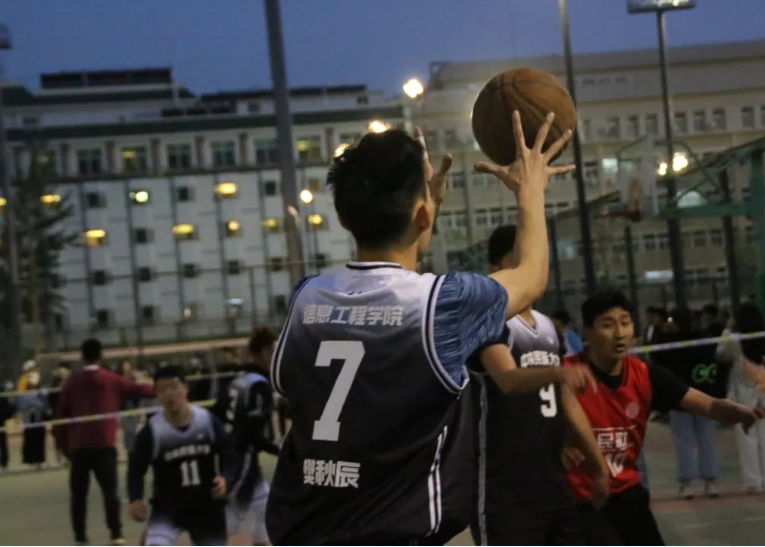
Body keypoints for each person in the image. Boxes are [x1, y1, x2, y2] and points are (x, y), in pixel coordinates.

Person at [266, 112, 575, 544]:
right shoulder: (444, 304)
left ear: (342, 217)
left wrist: (425, 212)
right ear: (424, 216)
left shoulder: (307, 298)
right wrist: (531, 189)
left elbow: (396, 294)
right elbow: (532, 276)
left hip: (306, 530)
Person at [564, 289, 765, 545]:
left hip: (628, 494)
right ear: (586, 333)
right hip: (581, 501)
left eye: (625, 323)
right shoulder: (565, 375)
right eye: (607, 325)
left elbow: (707, 404)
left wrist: (741, 412)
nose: (619, 333)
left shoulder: (645, 375)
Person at [468, 224, 608, 545]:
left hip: (553, 480)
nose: (531, 269)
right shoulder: (488, 320)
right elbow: (508, 380)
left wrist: (597, 465)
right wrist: (557, 373)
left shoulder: (548, 327)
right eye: (520, 260)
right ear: (496, 269)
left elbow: (565, 401)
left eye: (536, 260)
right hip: (503, 487)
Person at [55, 339, 155, 546]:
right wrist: (163, 387)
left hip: (79, 446)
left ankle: (80, 535)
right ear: (101, 356)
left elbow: (61, 415)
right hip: (105, 444)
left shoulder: (72, 382)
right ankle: (116, 533)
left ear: (82, 357)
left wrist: (64, 446)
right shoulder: (111, 379)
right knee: (110, 492)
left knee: (78, 495)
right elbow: (139, 390)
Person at [128, 365, 238, 546]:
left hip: (206, 505)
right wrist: (135, 498)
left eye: (174, 387)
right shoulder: (152, 431)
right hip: (168, 507)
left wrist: (227, 479)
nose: (169, 394)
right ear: (157, 394)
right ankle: (153, 534)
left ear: (185, 388)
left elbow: (230, 455)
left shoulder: (207, 420)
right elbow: (136, 469)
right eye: (162, 390)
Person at [218, 327, 279, 546]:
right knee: (232, 516)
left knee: (265, 503)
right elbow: (254, 434)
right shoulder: (259, 385)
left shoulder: (239, 379)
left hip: (232, 451)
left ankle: (261, 542)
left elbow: (218, 411)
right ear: (263, 352)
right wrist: (280, 451)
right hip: (241, 456)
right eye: (273, 351)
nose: (276, 356)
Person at [717, 302, 765, 494]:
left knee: (747, 438)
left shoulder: (734, 340)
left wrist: (727, 329)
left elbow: (720, 353)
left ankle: (753, 482)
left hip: (743, 395)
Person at [663, 308, 725, 499]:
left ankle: (687, 483)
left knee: (684, 441)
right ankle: (710, 482)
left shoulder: (671, 343)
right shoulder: (705, 339)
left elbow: (660, 362)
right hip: (704, 397)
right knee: (706, 439)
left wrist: (664, 333)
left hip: (680, 398)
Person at [18, 363, 48, 469]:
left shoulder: (41, 391)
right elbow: (22, 403)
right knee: (30, 438)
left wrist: (39, 403)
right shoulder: (23, 387)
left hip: (39, 418)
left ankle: (39, 460)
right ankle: (30, 460)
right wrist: (36, 403)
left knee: (40, 438)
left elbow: (45, 403)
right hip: (29, 418)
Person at [0, 382, 17, 472]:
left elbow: (8, 409)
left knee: (3, 444)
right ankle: (4, 465)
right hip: (1, 423)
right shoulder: (3, 397)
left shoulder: (3, 396)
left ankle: (4, 464)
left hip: (1, 423)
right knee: (3, 445)